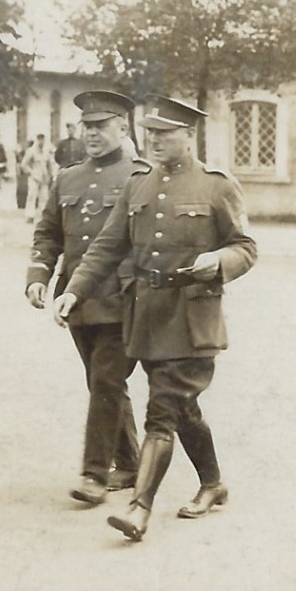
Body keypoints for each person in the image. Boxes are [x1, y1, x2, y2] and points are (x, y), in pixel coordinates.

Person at [55, 95, 258, 542]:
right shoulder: (139, 184)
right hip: (146, 314)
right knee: (182, 409)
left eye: (166, 135)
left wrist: (218, 260)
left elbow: (246, 247)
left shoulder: (216, 185)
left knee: (161, 412)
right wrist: (74, 291)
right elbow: (107, 247)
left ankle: (139, 508)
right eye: (152, 134)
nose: (157, 142)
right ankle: (213, 483)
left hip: (192, 318)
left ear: (189, 135)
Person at [26, 91, 143, 505]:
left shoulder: (140, 177)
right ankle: (130, 463)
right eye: (86, 126)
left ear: (123, 128)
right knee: (103, 383)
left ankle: (94, 474)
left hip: (122, 299)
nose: (92, 134)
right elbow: (48, 233)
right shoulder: (67, 178)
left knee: (107, 380)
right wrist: (38, 276)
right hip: (77, 300)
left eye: (101, 126)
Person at [21, 133, 56, 223]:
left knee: (44, 198)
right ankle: (30, 216)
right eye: (39, 140)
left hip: (43, 178)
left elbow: (49, 164)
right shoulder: (31, 151)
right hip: (34, 177)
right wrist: (31, 172)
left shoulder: (46, 151)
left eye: (43, 140)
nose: (41, 142)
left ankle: (43, 217)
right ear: (37, 140)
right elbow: (24, 165)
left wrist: (50, 175)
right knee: (32, 196)